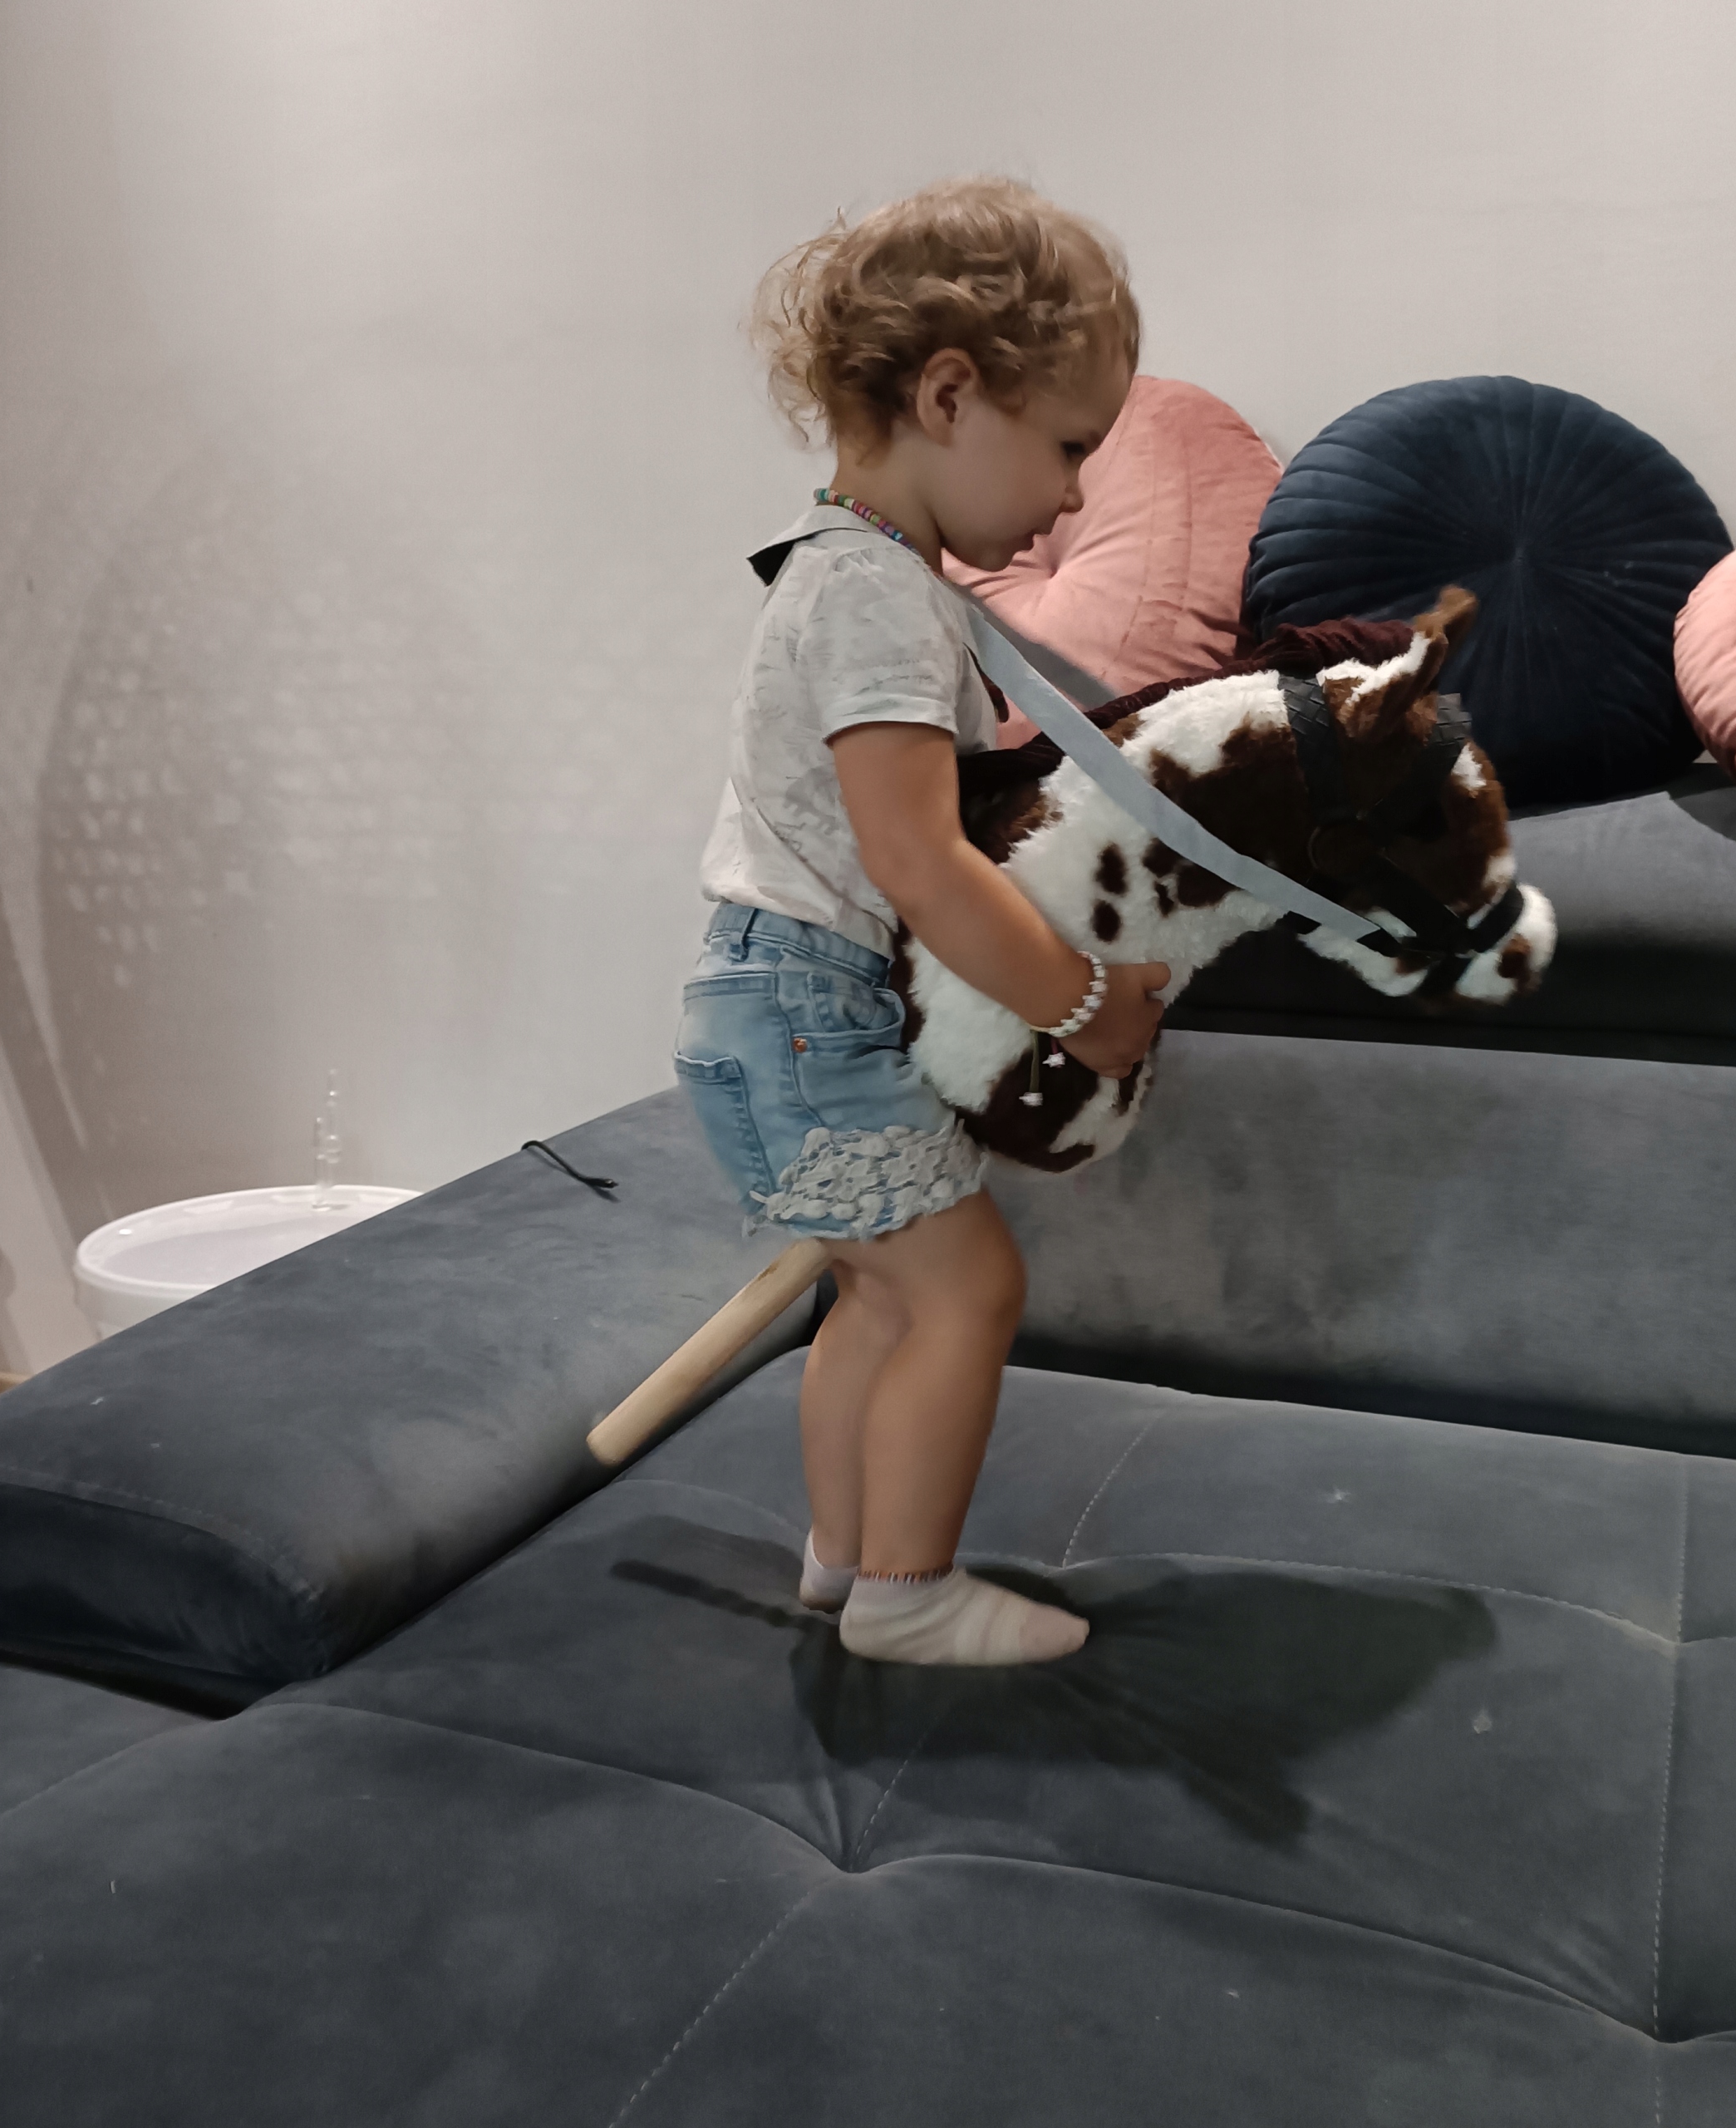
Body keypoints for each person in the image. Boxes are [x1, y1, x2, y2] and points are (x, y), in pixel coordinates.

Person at [678, 178, 1168, 1666]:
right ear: (950, 395)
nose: (1075, 497)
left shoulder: (850, 572)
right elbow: (918, 860)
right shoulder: (878, 594)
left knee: (880, 1296)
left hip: (766, 1003)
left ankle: (843, 1561)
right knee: (969, 1287)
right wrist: (1084, 1005)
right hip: (807, 1004)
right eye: (1070, 445)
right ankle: (910, 1594)